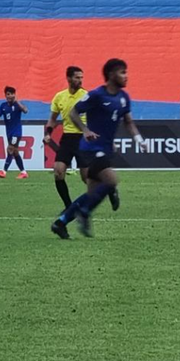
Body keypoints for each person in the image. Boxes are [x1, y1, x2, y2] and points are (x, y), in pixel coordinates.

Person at [51, 59, 147, 239]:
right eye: (122, 72)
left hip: (104, 149)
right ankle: (85, 213)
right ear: (111, 75)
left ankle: (60, 222)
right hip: (90, 148)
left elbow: (128, 122)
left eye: (126, 72)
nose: (126, 76)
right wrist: (85, 130)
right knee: (111, 180)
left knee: (92, 193)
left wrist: (139, 139)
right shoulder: (96, 95)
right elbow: (73, 112)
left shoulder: (123, 97)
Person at [44, 67, 90, 211]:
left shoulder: (86, 96)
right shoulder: (59, 97)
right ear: (69, 78)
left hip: (82, 139)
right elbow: (52, 119)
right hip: (67, 138)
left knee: (86, 178)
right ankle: (68, 206)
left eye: (81, 77)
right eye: (77, 77)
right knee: (58, 172)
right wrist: (48, 133)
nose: (80, 80)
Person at [0, 86, 29, 179]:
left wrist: (17, 101)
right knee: (15, 152)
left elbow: (26, 110)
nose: (8, 96)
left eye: (10, 94)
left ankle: (4, 171)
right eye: (7, 95)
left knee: (10, 149)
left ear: (14, 95)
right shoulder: (3, 106)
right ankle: (23, 172)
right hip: (9, 133)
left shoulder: (17, 105)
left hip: (16, 133)